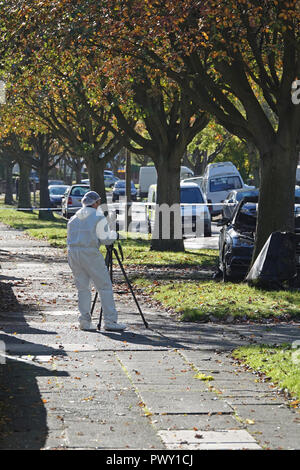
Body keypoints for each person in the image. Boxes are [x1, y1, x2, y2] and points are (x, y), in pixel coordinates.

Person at [67, 190, 126, 332]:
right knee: (104, 287)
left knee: (83, 289)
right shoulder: (98, 217)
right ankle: (110, 321)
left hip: (73, 253)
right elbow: (105, 239)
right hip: (90, 253)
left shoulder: (74, 218)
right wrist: (115, 235)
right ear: (96, 203)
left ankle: (85, 321)